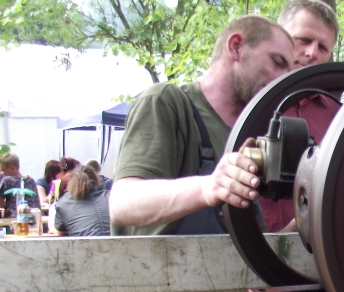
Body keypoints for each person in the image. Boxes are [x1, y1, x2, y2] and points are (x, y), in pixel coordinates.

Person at [109, 14, 294, 235]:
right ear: (236, 47)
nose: (283, 80)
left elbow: (247, 249)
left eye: (289, 73)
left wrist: (303, 224)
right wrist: (208, 187)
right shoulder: (167, 103)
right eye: (277, 62)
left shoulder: (249, 137)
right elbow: (122, 204)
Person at [265, 0, 342, 230]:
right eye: (304, 40)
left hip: (317, 245)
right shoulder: (250, 102)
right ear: (280, 37)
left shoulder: (337, 114)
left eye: (322, 48)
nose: (312, 53)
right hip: (249, 244)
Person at [54, 163, 110, 236]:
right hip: (118, 243)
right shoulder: (112, 196)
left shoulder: (62, 203)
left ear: (71, 183)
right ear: (97, 180)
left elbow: (59, 230)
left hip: (85, 243)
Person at [0, 153, 41, 218]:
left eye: (3, 170)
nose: (0, 173)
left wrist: (8, 205)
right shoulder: (31, 180)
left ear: (12, 168)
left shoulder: (7, 180)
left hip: (16, 219)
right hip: (35, 218)